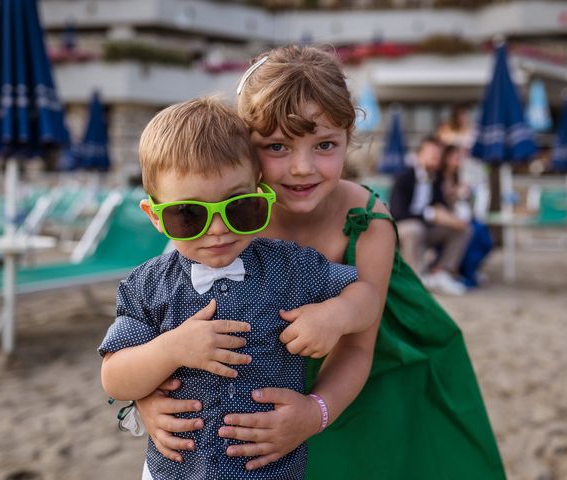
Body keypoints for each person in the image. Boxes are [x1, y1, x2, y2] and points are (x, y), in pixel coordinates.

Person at [134, 46, 506, 479]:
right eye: (277, 146)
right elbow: (159, 317)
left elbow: (359, 347)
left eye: (325, 145)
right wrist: (145, 400)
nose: (302, 168)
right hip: (248, 387)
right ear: (245, 147)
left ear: (349, 137)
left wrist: (315, 411)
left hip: (368, 381)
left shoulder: (368, 222)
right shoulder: (226, 218)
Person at [98, 96, 381, 479]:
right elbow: (114, 377)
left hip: (271, 470)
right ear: (155, 216)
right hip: (174, 472)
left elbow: (365, 296)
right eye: (188, 215)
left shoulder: (290, 266)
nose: (218, 229)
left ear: (258, 190)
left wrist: (337, 314)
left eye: (238, 207)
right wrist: (171, 349)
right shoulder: (147, 285)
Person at [390, 136, 472, 296]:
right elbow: (397, 212)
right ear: (419, 154)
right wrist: (430, 214)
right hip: (403, 228)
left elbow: (440, 204)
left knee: (463, 230)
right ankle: (416, 277)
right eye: (431, 153)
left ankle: (441, 272)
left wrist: (453, 214)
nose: (435, 157)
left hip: (427, 228)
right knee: (415, 228)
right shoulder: (404, 176)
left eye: (438, 154)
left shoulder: (437, 178)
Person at [436, 144, 493, 288]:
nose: (459, 161)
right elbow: (438, 202)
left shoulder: (457, 175)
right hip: (445, 218)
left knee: (482, 233)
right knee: (473, 232)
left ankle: (469, 270)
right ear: (447, 158)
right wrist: (454, 193)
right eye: (456, 158)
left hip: (458, 216)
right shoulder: (438, 177)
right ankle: (464, 271)